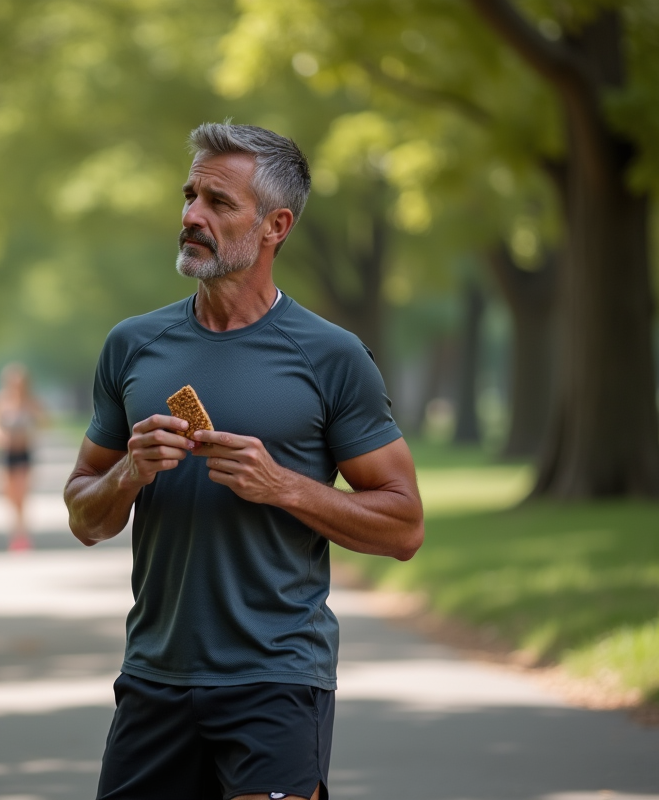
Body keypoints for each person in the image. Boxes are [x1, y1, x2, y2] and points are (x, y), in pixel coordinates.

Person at [64, 123, 424, 800]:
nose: (192, 216)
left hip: (277, 679)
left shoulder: (333, 356)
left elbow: (404, 526)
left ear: (275, 226)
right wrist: (129, 472)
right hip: (155, 676)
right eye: (190, 196)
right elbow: (85, 518)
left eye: (219, 202)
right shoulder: (132, 346)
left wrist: (283, 486)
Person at [0, 363, 46, 551]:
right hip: (5, 454)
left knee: (21, 492)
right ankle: (17, 527)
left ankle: (20, 533)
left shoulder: (31, 402)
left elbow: (45, 422)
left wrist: (32, 429)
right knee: (8, 493)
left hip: (24, 453)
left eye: (20, 383)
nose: (17, 386)